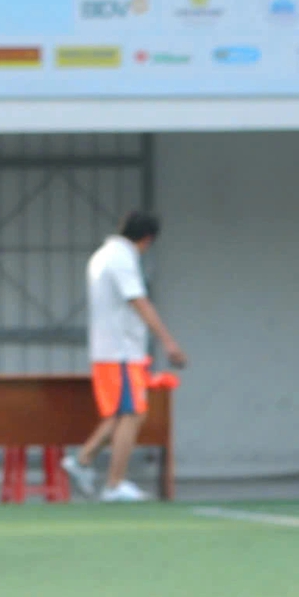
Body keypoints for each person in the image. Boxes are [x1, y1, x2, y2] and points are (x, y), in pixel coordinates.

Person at [65, 212, 186, 502]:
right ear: (147, 240)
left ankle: (81, 461)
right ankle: (114, 483)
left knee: (123, 413)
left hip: (110, 350)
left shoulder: (103, 255)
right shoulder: (121, 259)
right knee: (132, 414)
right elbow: (138, 301)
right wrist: (168, 342)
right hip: (120, 351)